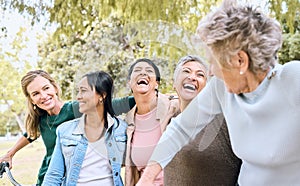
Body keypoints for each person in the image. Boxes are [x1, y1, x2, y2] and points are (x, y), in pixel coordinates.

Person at [137, 0, 300, 185]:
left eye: (214, 62)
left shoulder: (293, 80)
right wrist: (147, 179)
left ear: (240, 61)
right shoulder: (220, 88)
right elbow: (179, 130)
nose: (211, 71)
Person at [0, 70, 134, 185]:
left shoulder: (75, 109)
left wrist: (144, 97)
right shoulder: (41, 118)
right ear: (31, 99)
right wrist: (10, 153)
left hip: (69, 178)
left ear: (55, 88)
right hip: (47, 178)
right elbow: (30, 135)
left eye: (46, 88)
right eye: (35, 94)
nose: (43, 96)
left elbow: (115, 104)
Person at [164, 55, 241, 186]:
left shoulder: (222, 121)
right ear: (174, 83)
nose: (192, 77)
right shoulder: (170, 117)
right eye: (186, 71)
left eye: (200, 75)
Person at [42, 71, 127, 185]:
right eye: (78, 91)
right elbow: (53, 176)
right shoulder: (65, 131)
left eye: (84, 91)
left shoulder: (122, 129)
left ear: (102, 95)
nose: (78, 97)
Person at [124, 58, 179, 186]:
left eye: (149, 71)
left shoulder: (174, 108)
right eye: (137, 70)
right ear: (130, 83)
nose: (143, 73)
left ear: (157, 83)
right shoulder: (128, 122)